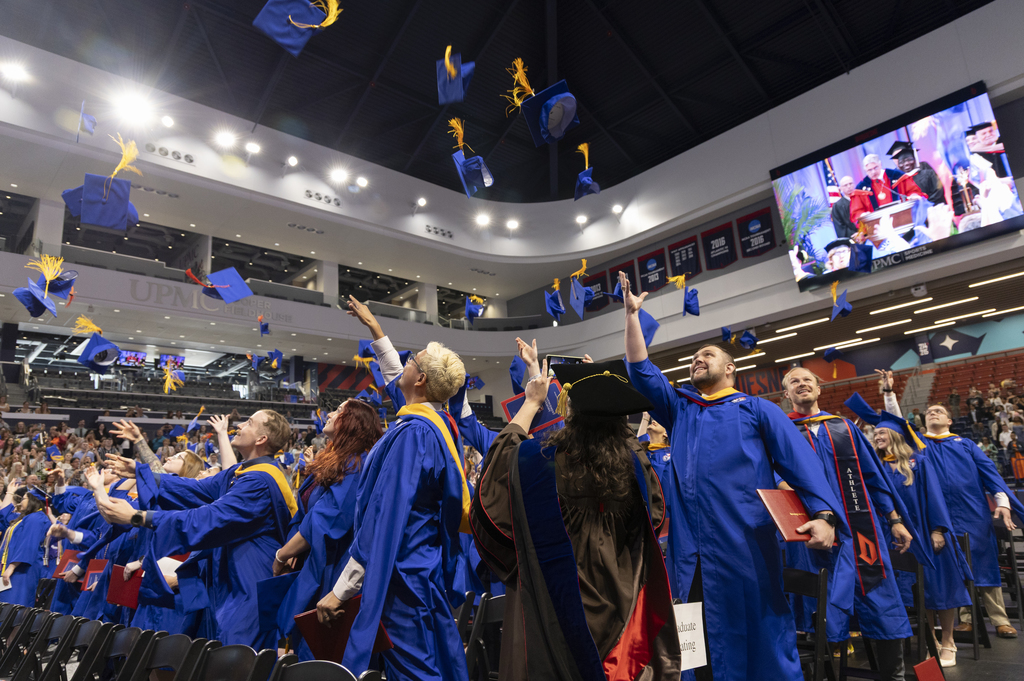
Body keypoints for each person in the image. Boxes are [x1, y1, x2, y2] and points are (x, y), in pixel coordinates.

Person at [618, 271, 844, 681]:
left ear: (731, 367)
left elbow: (801, 466)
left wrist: (825, 517)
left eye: (707, 354)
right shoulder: (682, 409)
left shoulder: (758, 410)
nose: (697, 359)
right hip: (690, 554)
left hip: (746, 550)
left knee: (762, 641)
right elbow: (641, 370)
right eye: (694, 357)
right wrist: (633, 318)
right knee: (694, 646)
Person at [472, 360, 681, 679]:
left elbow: (491, 502)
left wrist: (531, 403)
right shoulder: (634, 467)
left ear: (570, 413)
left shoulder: (536, 462)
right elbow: (652, 521)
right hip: (618, 603)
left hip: (549, 605)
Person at [315, 295, 469, 681]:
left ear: (420, 380)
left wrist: (343, 588)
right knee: (428, 661)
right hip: (421, 563)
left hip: (401, 571)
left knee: (415, 670)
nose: (406, 361)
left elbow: (385, 516)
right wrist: (376, 331)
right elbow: (397, 382)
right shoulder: (433, 422)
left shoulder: (413, 434)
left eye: (412, 359)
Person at [97, 409, 297, 648]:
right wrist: (142, 474)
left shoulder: (260, 482)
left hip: (249, 585)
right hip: (228, 581)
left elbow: (208, 518)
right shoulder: (240, 473)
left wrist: (138, 517)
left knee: (239, 660)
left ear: (261, 439)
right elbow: (196, 490)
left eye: (249, 422)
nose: (240, 425)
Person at [782, 368, 913, 681]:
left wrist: (894, 519)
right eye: (794, 382)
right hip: (808, 533)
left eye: (807, 379)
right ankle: (825, 672)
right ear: (786, 394)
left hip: (859, 531)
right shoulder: (783, 430)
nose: (802, 384)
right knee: (817, 598)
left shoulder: (842, 427)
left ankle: (893, 675)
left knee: (878, 595)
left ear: (818, 388)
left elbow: (872, 477)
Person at [273, 398, 383, 660]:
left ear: (354, 423)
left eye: (340, 410)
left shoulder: (357, 464)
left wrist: (282, 554)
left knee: (323, 655)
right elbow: (304, 513)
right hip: (312, 559)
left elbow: (325, 521)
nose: (331, 413)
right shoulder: (335, 460)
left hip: (335, 568)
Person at [916, 403, 1024, 639]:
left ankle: (1000, 620)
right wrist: (889, 395)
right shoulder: (919, 446)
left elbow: (990, 472)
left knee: (984, 562)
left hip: (972, 511)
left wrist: (1003, 502)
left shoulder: (965, 445)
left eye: (939, 411)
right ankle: (966, 619)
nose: (933, 412)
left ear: (950, 421)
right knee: (953, 564)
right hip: (938, 516)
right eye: (930, 411)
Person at [0, 483, 52, 606]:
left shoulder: (36, 519)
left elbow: (28, 545)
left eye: (23, 499)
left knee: (13, 606)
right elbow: (3, 517)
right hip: (11, 567)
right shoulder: (24, 518)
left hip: (21, 569)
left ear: (32, 501)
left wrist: (11, 568)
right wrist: (9, 493)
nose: (20, 502)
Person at [852, 154, 904, 222]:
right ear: (865, 170)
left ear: (880, 164)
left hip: (901, 217)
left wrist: (913, 195)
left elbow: (911, 191)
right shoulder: (861, 188)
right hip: (877, 224)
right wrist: (863, 215)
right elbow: (857, 211)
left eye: (875, 167)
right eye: (869, 170)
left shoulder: (896, 176)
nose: (873, 172)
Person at [889, 142, 945, 206]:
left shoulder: (925, 169)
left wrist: (925, 204)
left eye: (908, 159)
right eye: (896, 157)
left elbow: (938, 189)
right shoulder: (895, 177)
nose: (906, 163)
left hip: (934, 206)